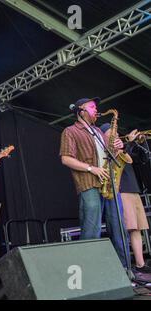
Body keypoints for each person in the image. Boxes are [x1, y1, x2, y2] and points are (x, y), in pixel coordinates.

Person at [60, 97, 130, 268]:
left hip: (109, 183)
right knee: (92, 230)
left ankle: (125, 269)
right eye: (92, 107)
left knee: (119, 229)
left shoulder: (98, 131)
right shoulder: (70, 131)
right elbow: (66, 159)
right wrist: (92, 169)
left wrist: (118, 146)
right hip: (89, 184)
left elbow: (111, 153)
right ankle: (89, 272)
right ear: (81, 111)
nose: (96, 110)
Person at [104, 126, 151, 273]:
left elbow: (140, 159)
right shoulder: (106, 149)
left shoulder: (123, 147)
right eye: (112, 133)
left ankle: (140, 264)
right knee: (126, 228)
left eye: (117, 133)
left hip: (134, 189)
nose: (117, 135)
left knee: (137, 228)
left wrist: (140, 143)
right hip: (121, 191)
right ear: (105, 135)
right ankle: (126, 266)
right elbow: (120, 161)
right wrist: (129, 144)